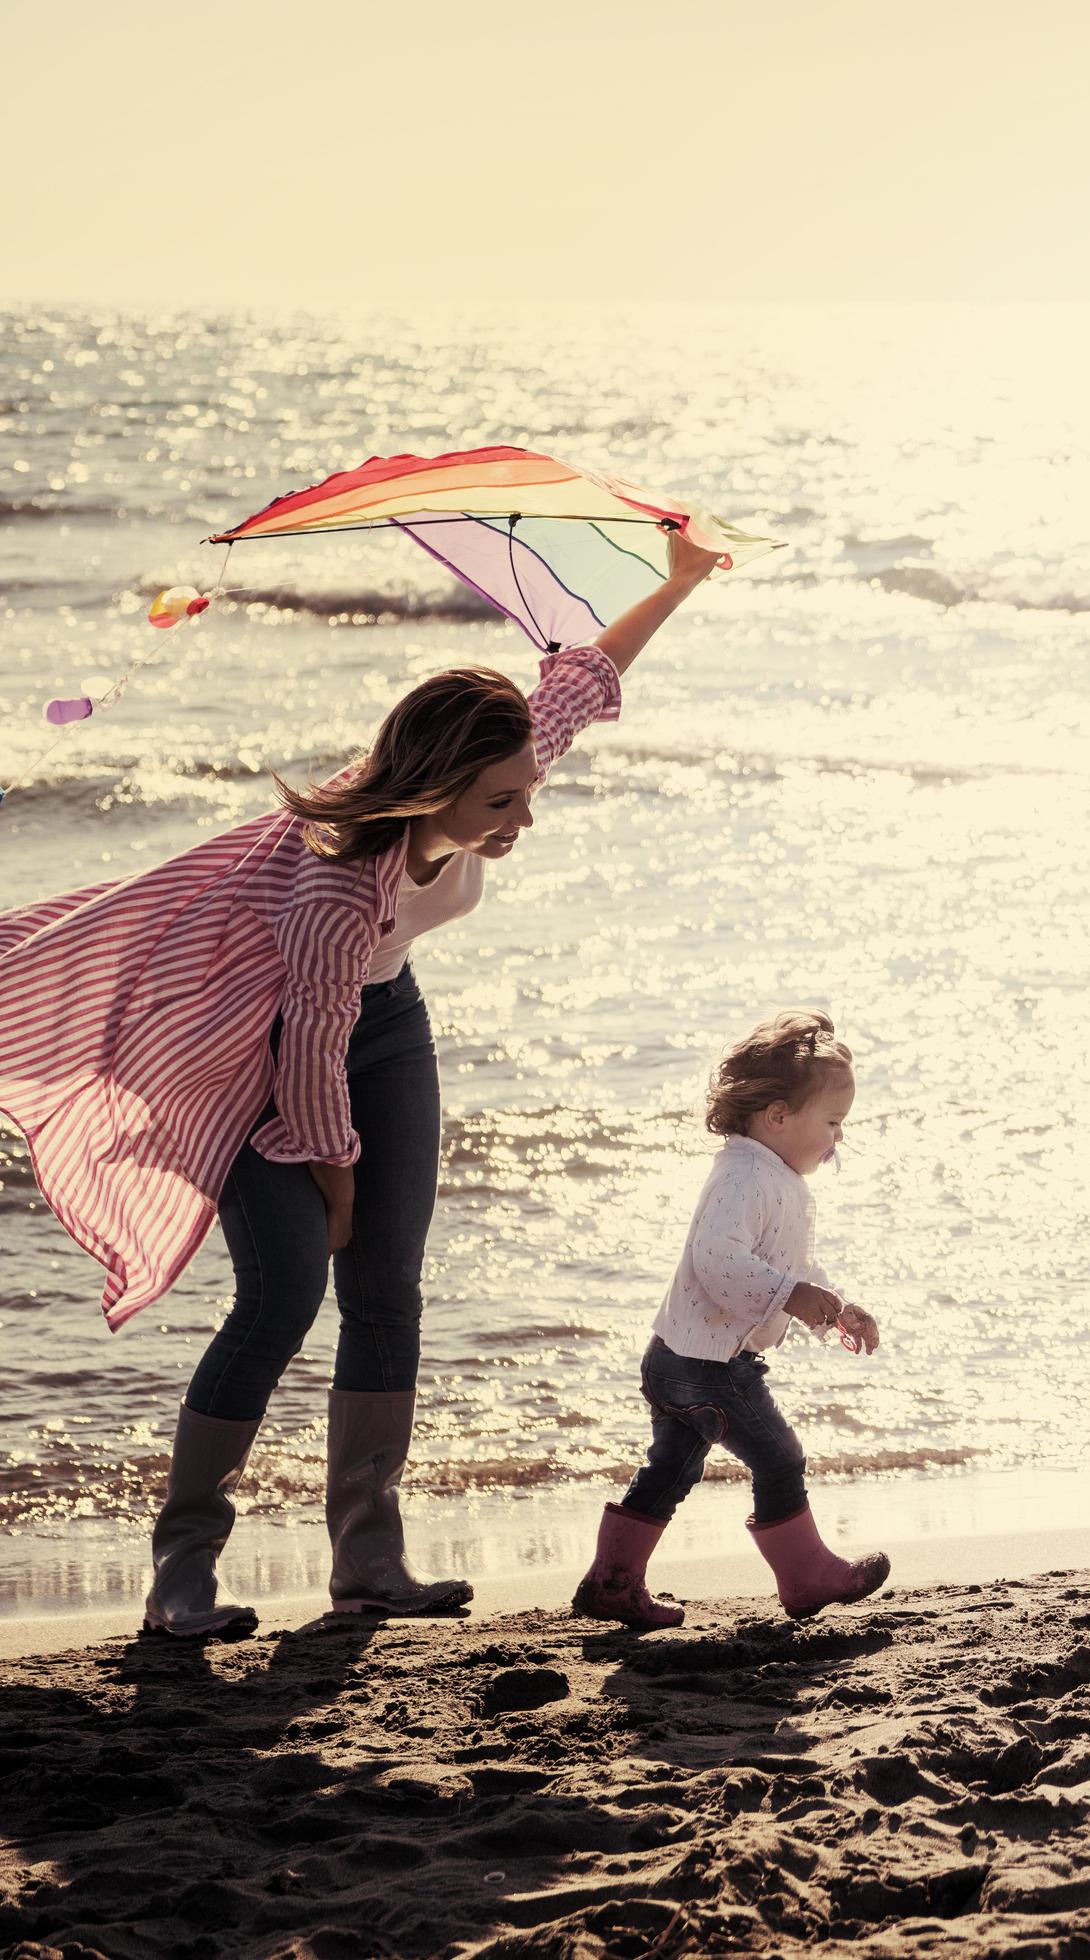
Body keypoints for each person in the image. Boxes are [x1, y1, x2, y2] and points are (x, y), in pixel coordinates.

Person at [0, 528, 725, 1639]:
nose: (523, 817)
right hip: (250, 1045)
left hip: (388, 1026)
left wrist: (676, 580)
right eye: (502, 804)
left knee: (388, 1291)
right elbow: (307, 1053)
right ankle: (181, 1571)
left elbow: (584, 674)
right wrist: (333, 1182)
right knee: (283, 1293)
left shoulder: (497, 768)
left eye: (525, 791)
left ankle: (369, 1562)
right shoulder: (339, 886)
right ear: (436, 788)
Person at [571, 1011, 889, 1629]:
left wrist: (834, 1308)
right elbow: (716, 1260)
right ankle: (805, 1578)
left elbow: (791, 1266)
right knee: (780, 1457)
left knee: (672, 1469)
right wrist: (788, 1295)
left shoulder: (775, 1175)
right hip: (708, 1368)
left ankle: (612, 1584)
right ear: (777, 1115)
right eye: (830, 1123)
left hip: (679, 1359)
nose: (838, 1138)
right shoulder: (744, 1173)